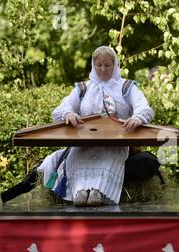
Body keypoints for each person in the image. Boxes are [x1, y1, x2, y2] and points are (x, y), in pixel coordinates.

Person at [37, 46, 154, 206]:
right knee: (76, 156)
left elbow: (143, 106)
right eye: (99, 65)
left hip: (116, 143)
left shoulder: (126, 86)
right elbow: (62, 108)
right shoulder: (83, 88)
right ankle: (79, 192)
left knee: (107, 157)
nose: (103, 69)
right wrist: (68, 114)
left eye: (107, 65)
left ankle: (97, 193)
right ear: (93, 65)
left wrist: (137, 117)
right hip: (85, 141)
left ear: (115, 65)